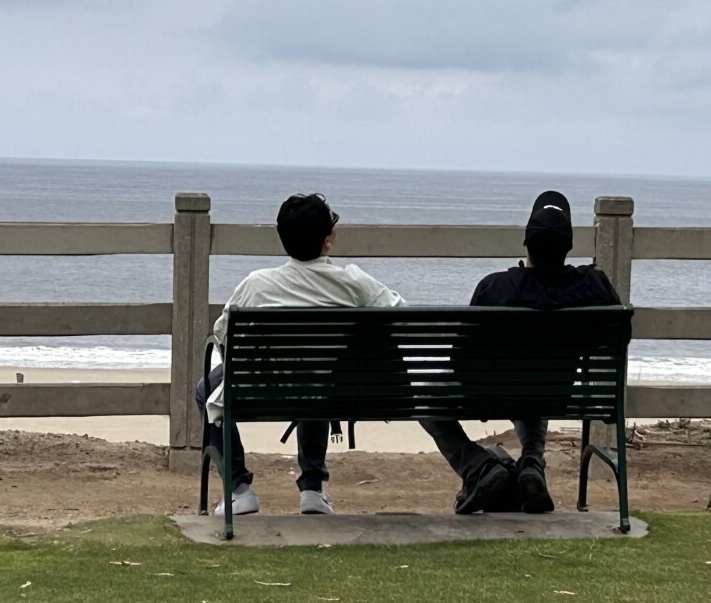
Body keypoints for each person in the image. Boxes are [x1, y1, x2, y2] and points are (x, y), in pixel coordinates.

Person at [196, 193, 406, 517]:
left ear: (283, 239)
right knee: (318, 379)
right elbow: (400, 316)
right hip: (329, 390)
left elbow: (223, 335)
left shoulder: (258, 285)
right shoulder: (352, 281)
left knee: (206, 389)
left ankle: (239, 490)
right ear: (329, 240)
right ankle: (312, 488)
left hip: (265, 388)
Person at [420, 191, 621, 515]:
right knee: (534, 386)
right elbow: (617, 336)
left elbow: (461, 361)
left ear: (526, 243)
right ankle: (530, 463)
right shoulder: (592, 286)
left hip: (491, 394)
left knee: (425, 397)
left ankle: (479, 466)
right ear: (569, 247)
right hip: (555, 394)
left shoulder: (495, 287)